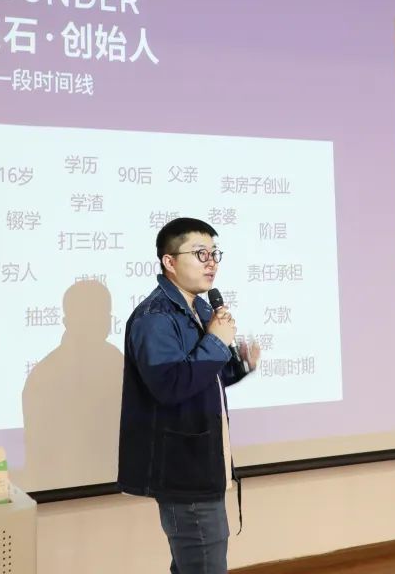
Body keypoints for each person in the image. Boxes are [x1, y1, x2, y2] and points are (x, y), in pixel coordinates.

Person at [118, 217, 260, 574]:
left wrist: (239, 365)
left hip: (205, 466)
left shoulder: (200, 309)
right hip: (185, 472)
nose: (211, 263)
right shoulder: (154, 318)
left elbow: (202, 378)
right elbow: (170, 386)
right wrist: (216, 342)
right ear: (169, 261)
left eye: (214, 253)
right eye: (200, 254)